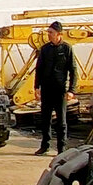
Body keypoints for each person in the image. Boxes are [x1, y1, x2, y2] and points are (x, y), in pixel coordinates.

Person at [34, 21, 77, 155]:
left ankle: (61, 148)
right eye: (48, 32)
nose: (49, 35)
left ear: (59, 34)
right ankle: (45, 145)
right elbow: (39, 69)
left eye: (51, 32)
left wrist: (71, 90)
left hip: (60, 90)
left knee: (61, 120)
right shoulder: (45, 49)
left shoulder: (67, 48)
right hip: (47, 89)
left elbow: (73, 70)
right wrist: (36, 87)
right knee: (45, 119)